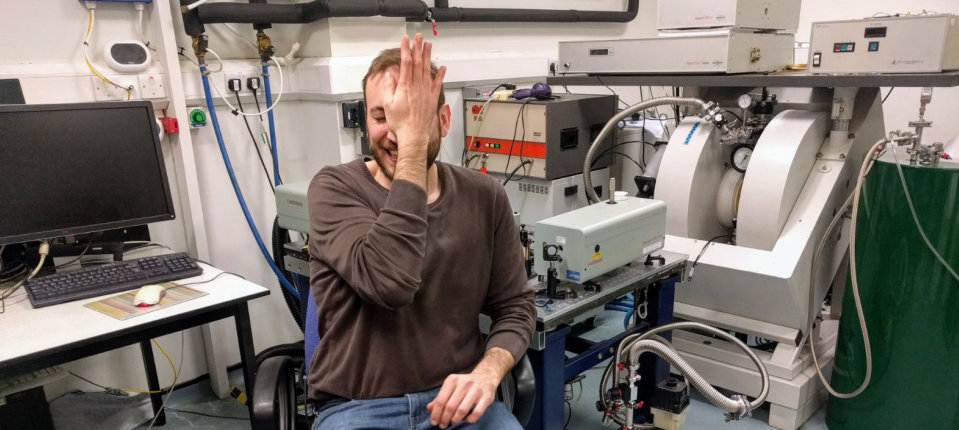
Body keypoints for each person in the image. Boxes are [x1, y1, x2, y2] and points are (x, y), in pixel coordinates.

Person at [306, 33, 536, 430]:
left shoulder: (485, 196)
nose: (396, 133)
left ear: (443, 120)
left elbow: (516, 307)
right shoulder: (334, 188)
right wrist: (413, 142)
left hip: (455, 401)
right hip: (358, 408)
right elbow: (390, 283)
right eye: (381, 117)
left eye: (410, 117)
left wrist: (488, 372)